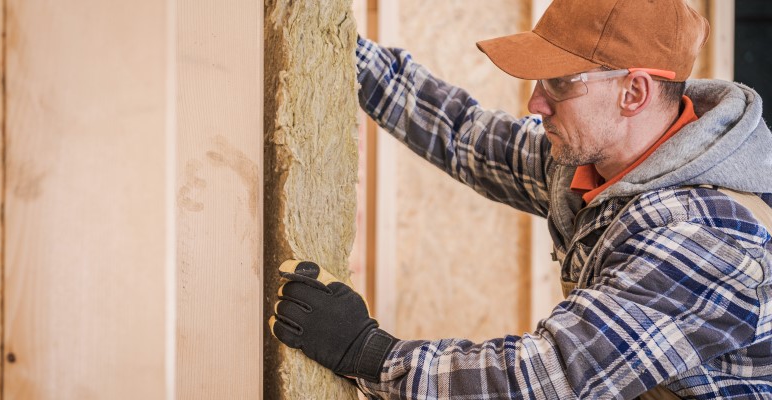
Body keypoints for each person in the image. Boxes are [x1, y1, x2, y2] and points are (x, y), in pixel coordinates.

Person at [270, 0, 772, 398]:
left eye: (558, 83)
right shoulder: (593, 159)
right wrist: (336, 46)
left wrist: (368, 353)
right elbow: (461, 133)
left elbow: (549, 377)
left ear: (633, 93)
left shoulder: (704, 235)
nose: (535, 103)